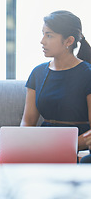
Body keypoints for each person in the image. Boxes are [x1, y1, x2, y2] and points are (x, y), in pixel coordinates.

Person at [20, 10, 91, 157]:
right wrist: (24, 144)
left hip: (79, 149)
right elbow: (27, 122)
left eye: (49, 35)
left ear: (69, 41)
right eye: (43, 34)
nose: (42, 41)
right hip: (42, 146)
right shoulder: (37, 73)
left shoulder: (87, 74)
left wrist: (62, 147)